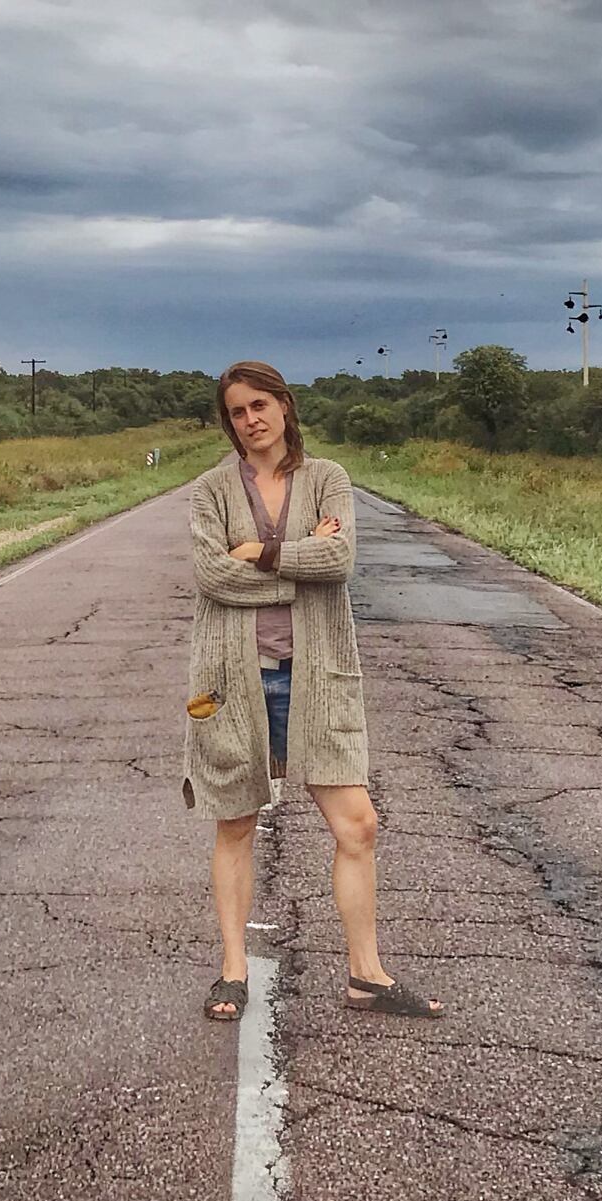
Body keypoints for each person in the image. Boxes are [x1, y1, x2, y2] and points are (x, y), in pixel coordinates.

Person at [183, 360, 442, 1022]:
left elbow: (341, 560)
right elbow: (213, 576)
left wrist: (260, 553)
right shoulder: (211, 490)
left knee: (358, 824)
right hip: (236, 680)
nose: (251, 420)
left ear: (285, 406)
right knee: (235, 823)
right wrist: (298, 558)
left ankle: (367, 976)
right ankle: (233, 971)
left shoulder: (327, 478)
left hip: (315, 675)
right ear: (229, 420)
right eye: (238, 411)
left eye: (261, 405)